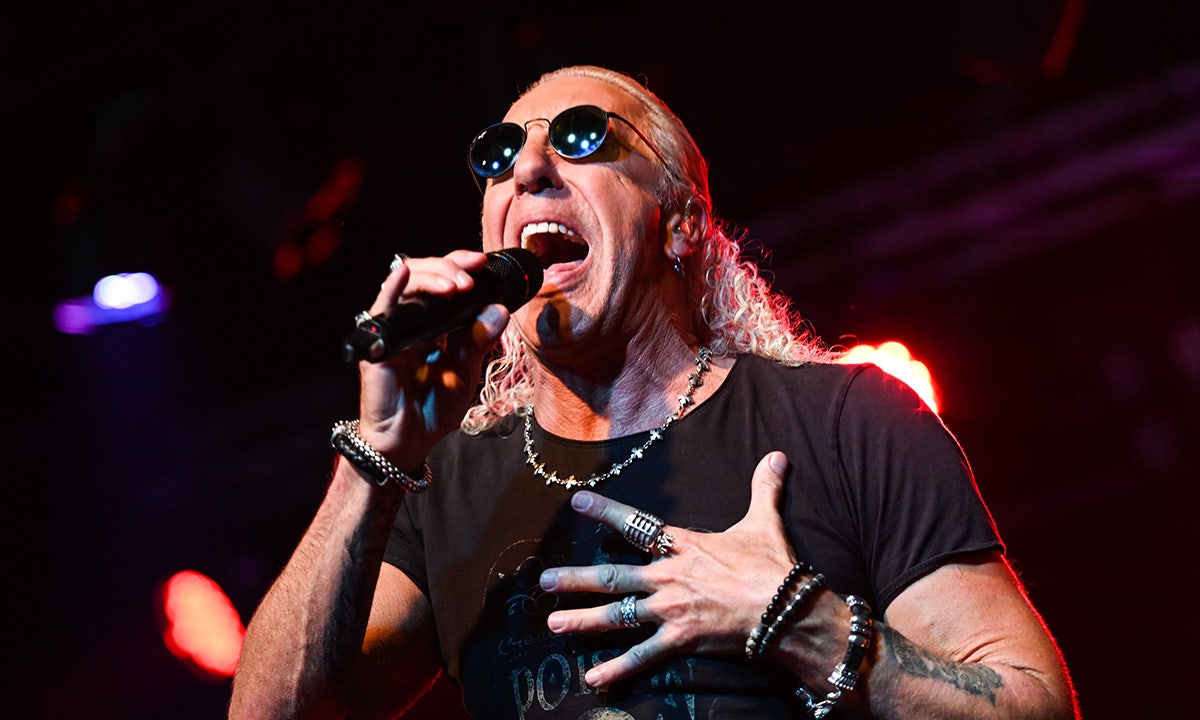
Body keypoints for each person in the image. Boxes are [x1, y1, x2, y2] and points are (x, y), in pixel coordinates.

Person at [228, 65, 1079, 719]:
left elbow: (1033, 703)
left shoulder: (845, 422)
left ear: (680, 224)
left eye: (582, 137)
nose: (528, 168)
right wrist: (375, 459)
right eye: (499, 156)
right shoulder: (443, 484)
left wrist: (802, 623)